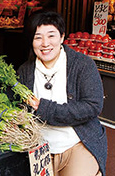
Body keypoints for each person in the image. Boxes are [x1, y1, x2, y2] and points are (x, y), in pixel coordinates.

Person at [17, 11, 107, 176]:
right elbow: (15, 106)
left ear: (62, 37)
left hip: (77, 143)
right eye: (38, 37)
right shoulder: (25, 71)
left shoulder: (82, 65)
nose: (45, 44)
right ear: (31, 41)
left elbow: (93, 106)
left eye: (51, 36)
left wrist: (44, 108)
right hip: (39, 147)